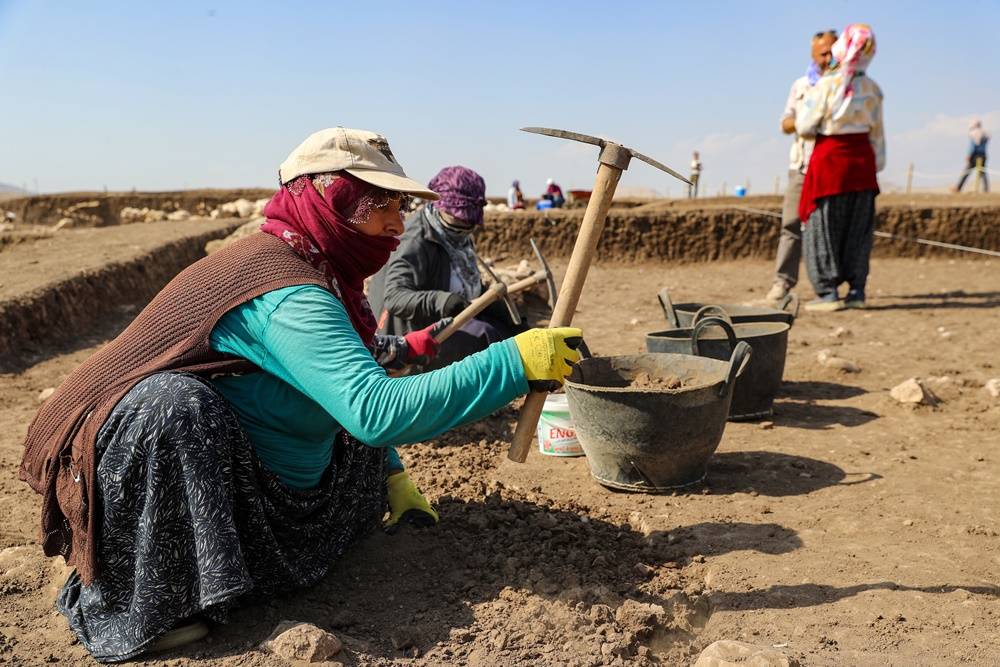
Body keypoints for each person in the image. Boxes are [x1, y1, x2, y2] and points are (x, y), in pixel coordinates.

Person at [19, 127, 583, 663]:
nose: (395, 223)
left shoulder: (322, 270)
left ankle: (266, 552)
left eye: (399, 207)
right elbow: (374, 411)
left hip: (255, 463)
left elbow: (350, 376)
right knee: (172, 407)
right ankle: (151, 597)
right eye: (378, 205)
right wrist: (512, 361)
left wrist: (392, 475)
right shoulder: (288, 291)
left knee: (338, 390)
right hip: (141, 465)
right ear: (332, 200)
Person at [369, 165, 523, 370]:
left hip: (446, 317)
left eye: (468, 222)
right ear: (439, 206)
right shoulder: (415, 240)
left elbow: (466, 284)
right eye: (458, 221)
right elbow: (395, 297)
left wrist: (507, 314)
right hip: (412, 337)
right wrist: (444, 300)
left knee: (511, 333)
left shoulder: (454, 236)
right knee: (487, 337)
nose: (464, 228)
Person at [796, 24, 885, 312]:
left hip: (831, 163)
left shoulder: (827, 85)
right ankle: (857, 291)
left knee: (823, 227)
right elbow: (877, 135)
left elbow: (805, 126)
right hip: (863, 165)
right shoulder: (873, 89)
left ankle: (827, 292)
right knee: (858, 229)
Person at [766, 30, 837, 304]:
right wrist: (807, 119)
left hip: (831, 167)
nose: (827, 58)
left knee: (829, 226)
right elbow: (785, 123)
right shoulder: (800, 86)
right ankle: (782, 282)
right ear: (812, 53)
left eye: (832, 52)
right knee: (791, 223)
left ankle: (829, 287)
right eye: (823, 53)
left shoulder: (844, 85)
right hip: (802, 165)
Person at [954, 120, 990, 192]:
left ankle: (958, 188)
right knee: (982, 172)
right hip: (983, 155)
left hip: (975, 155)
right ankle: (986, 189)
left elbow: (973, 146)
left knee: (967, 171)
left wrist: (969, 155)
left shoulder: (974, 133)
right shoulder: (985, 133)